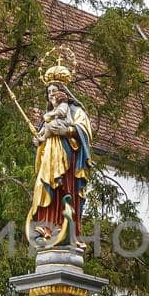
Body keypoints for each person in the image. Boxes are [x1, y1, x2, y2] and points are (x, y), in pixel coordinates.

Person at [25, 57, 93, 247]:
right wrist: (38, 141)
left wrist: (67, 131)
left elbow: (85, 131)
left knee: (64, 189)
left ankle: (68, 227)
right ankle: (46, 226)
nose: (50, 95)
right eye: (48, 92)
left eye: (54, 91)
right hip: (48, 159)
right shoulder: (47, 117)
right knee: (46, 187)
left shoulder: (75, 110)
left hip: (69, 160)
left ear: (63, 92)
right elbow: (42, 134)